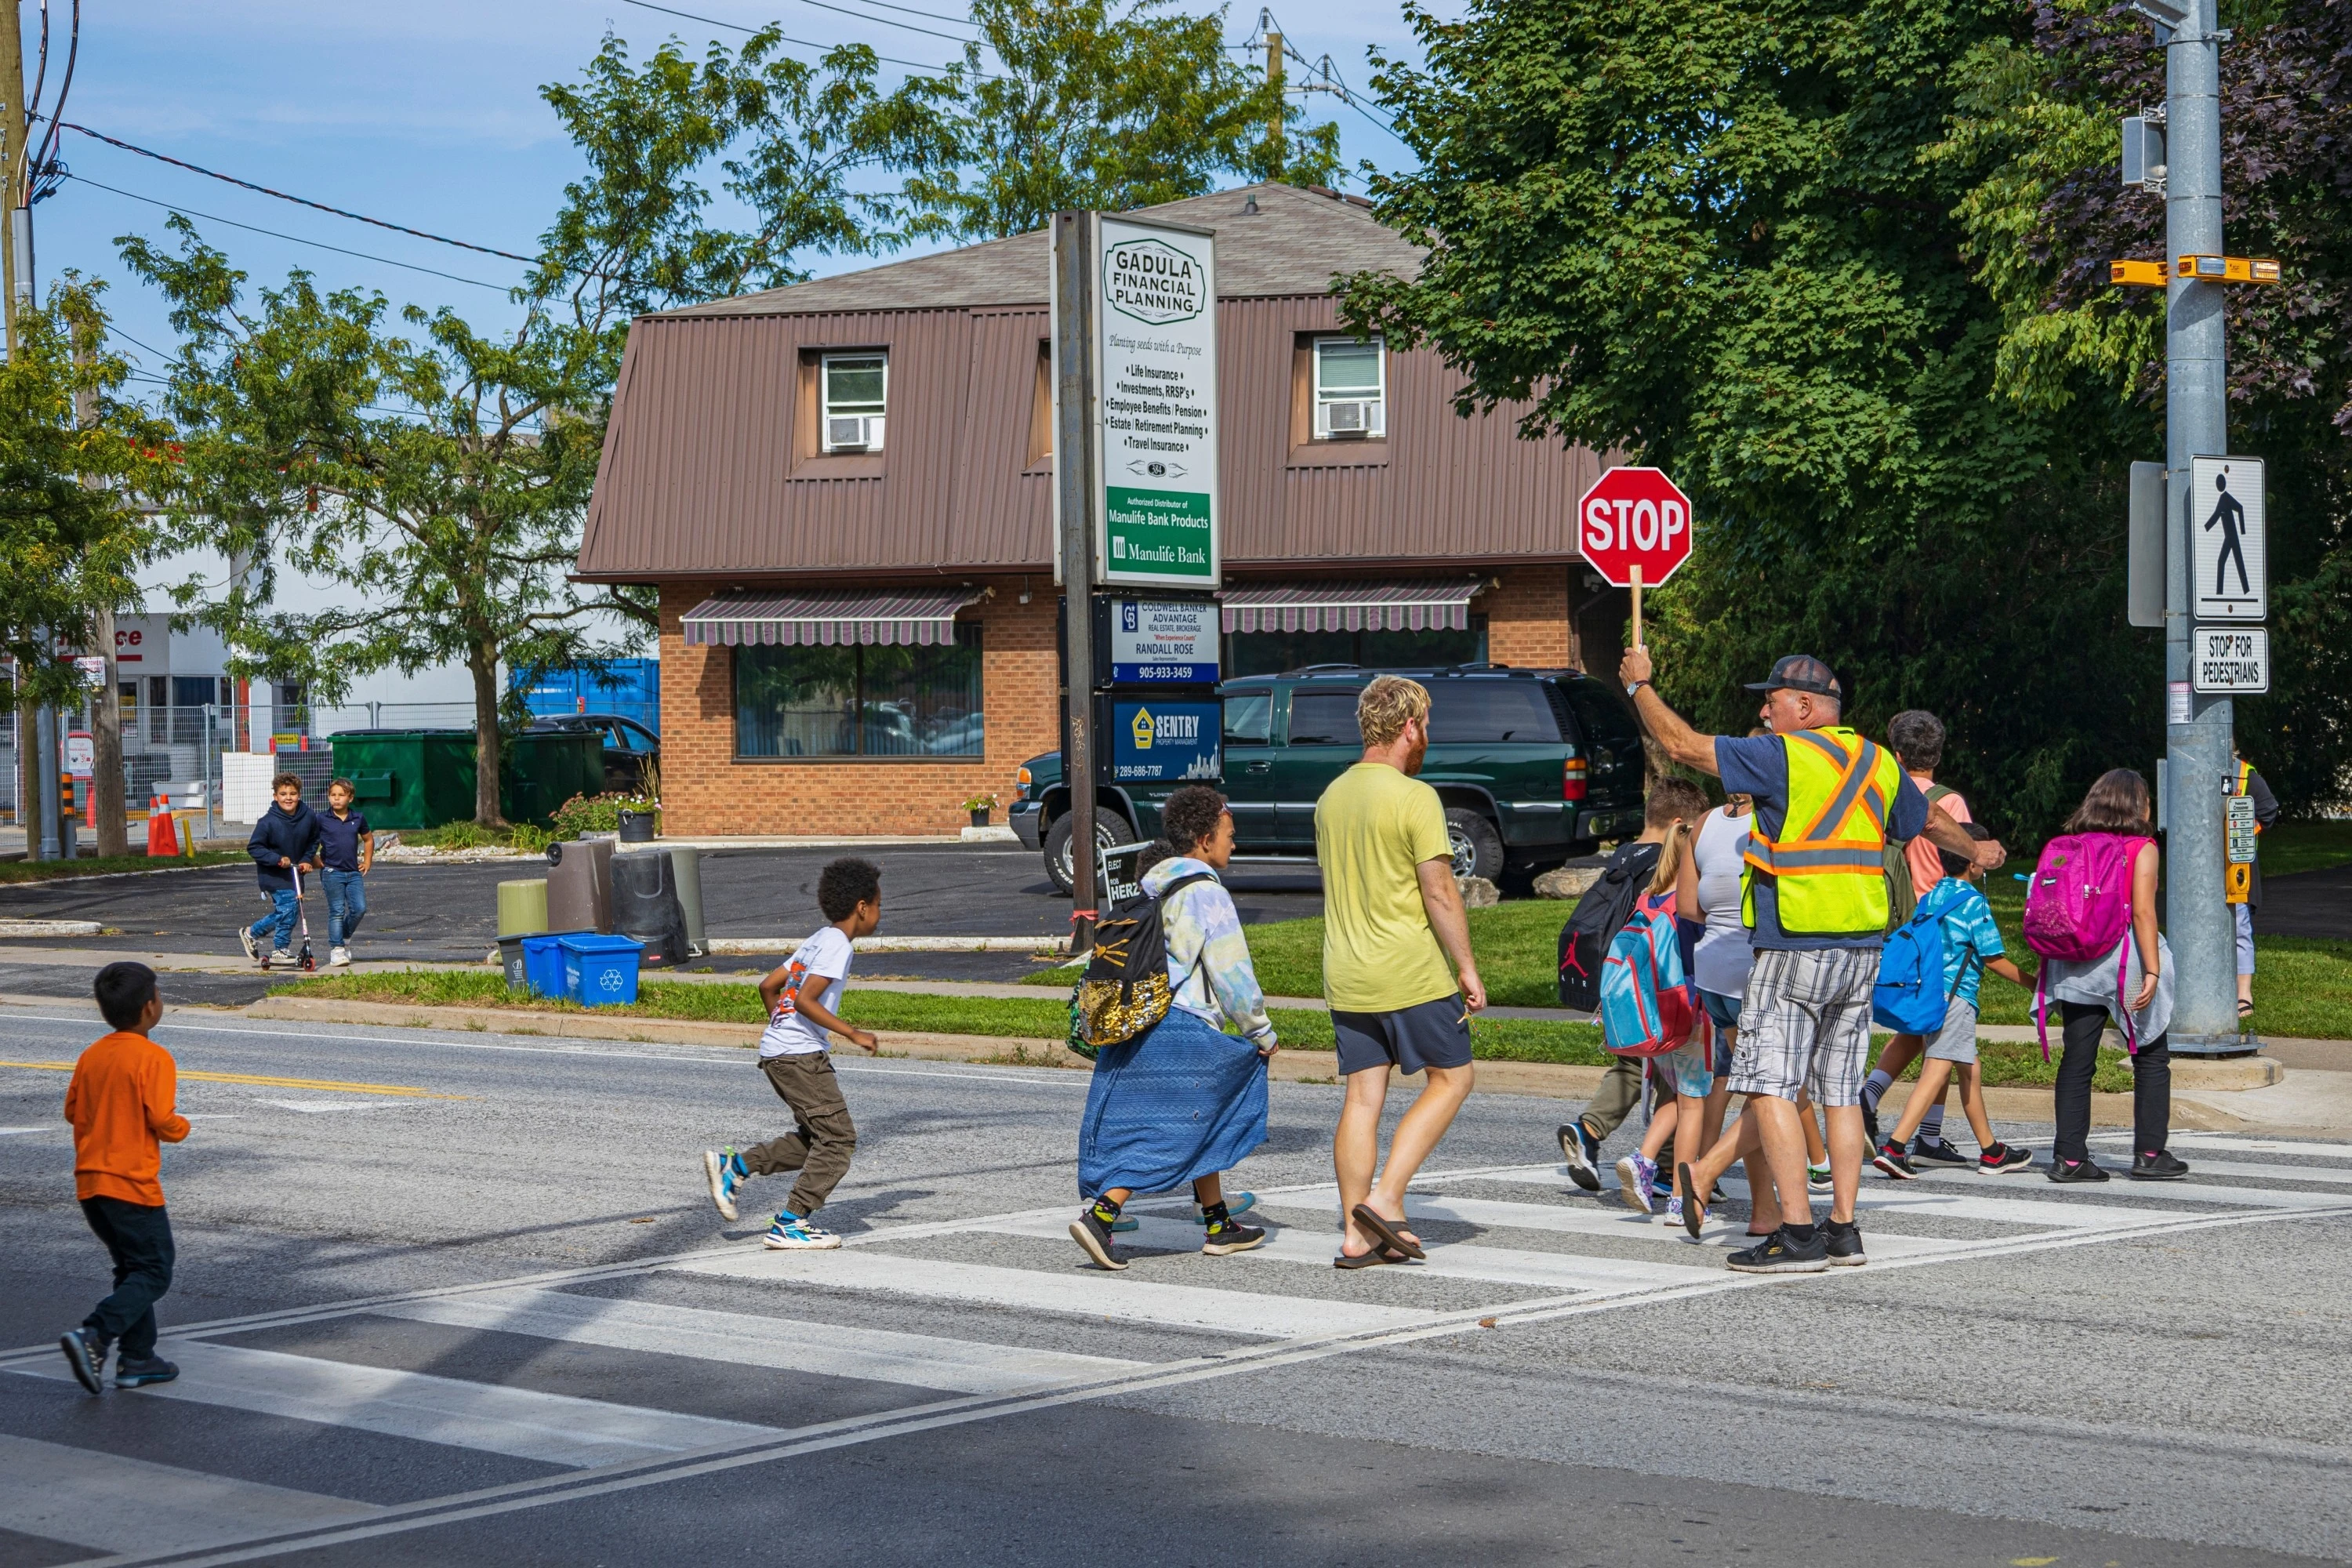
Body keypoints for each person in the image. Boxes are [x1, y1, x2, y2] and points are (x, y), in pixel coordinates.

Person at [1621, 647, 1998, 1272]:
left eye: (1771, 701)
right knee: (1840, 1095)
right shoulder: (1877, 761)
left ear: (1804, 706)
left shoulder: (1782, 756)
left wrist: (1640, 687)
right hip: (1861, 949)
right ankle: (1844, 1230)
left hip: (1793, 945)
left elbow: (1682, 744)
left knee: (1769, 1087)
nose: (1764, 712)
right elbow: (1928, 818)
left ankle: (1796, 1236)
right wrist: (1978, 850)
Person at [1316, 675, 1486, 1268]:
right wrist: (1466, 966)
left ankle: (1355, 1232)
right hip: (1408, 971)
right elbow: (1439, 893)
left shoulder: (1331, 796)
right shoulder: (1416, 797)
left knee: (1363, 1098)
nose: (1428, 737)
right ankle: (1386, 1199)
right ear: (1409, 726)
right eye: (1427, 725)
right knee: (1453, 1078)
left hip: (1345, 971)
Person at [1068, 786, 1276, 1270]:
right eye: (1229, 834)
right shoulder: (1207, 893)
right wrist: (1259, 1032)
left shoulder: (1149, 887)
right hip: (1183, 1026)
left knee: (1204, 1116)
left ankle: (1219, 1224)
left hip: (1139, 1019)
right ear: (1204, 839)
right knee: (1175, 1127)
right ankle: (1103, 1215)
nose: (1233, 844)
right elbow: (1231, 971)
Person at [701, 857, 883, 1249]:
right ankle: (791, 1222)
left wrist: (781, 1031)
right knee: (838, 1141)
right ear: (862, 907)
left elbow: (769, 987)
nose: (879, 913)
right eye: (879, 905)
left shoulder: (818, 938)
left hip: (779, 1051)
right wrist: (853, 1033)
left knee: (817, 1136)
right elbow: (803, 999)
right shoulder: (837, 945)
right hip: (799, 1056)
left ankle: (736, 1167)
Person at [2041, 771, 2184, 1182]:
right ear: (2138, 805)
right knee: (2151, 1055)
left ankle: (2069, 1158)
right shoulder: (2142, 847)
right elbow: (2142, 911)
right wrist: (2154, 968)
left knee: (2077, 1059)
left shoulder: (2071, 845)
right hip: (2124, 962)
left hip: (2073, 963)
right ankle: (2151, 1153)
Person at [1871, 822, 2035, 1178]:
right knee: (1938, 1069)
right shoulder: (1973, 902)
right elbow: (1992, 958)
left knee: (1970, 1069)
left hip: (1929, 992)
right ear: (1972, 862)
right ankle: (1896, 1147)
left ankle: (1990, 1150)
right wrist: (2034, 983)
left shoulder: (1932, 895)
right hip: (1955, 997)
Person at [57, 962, 188, 1395]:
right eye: (159, 995)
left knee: (131, 1268)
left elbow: (73, 1111)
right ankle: (95, 1334)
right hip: (130, 1184)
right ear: (151, 1007)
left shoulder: (92, 1055)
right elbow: (161, 1117)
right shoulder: (154, 1057)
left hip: (91, 1184)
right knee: (155, 1270)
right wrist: (180, 1128)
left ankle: (138, 1359)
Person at [1557, 791, 1682, 1203]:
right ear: (1680, 823)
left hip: (1613, 979)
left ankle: (1587, 1130)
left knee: (1631, 1066)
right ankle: (1665, 1166)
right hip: (1650, 988)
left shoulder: (1623, 859)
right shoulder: (1664, 864)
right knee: (1672, 1071)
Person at [1860, 710, 1971, 1164]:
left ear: (1897, 755)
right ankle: (1912, 1126)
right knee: (1937, 1031)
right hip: (1938, 929)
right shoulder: (1952, 803)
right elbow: (1962, 863)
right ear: (1938, 754)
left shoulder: (1880, 795)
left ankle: (1893, 1112)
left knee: (1922, 1027)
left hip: (1892, 923)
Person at [1605, 778, 1713, 1222]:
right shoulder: (1690, 899)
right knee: (1693, 1104)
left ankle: (1644, 1161)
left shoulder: (1651, 893)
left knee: (1676, 1095)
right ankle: (1680, 1197)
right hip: (1687, 1012)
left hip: (1654, 1013)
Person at [237, 774, 323, 968]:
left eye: (293, 793)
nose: (288, 798)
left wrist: (306, 859)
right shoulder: (267, 822)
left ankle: (252, 933)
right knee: (288, 908)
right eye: (283, 794)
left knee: (289, 912)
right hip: (274, 875)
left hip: (295, 873)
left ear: (299, 795)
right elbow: (255, 848)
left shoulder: (308, 816)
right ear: (275, 796)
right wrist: (277, 859)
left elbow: (313, 841)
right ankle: (280, 949)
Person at [2226, 752, 2280, 1018]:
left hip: (2236, 865)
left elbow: (2269, 811)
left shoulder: (2246, 774)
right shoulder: (2189, 767)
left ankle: (2243, 995)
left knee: (2239, 928)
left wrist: (2240, 832)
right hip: (2196, 867)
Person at [316, 777, 373, 968]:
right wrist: (314, 861)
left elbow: (368, 839)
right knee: (337, 911)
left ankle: (345, 937)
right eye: (333, 795)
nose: (336, 799)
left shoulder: (358, 818)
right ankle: (337, 950)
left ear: (350, 797)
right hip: (332, 872)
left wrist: (367, 861)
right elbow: (311, 843)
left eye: (341, 795)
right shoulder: (321, 819)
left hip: (353, 872)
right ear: (328, 797)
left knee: (359, 908)